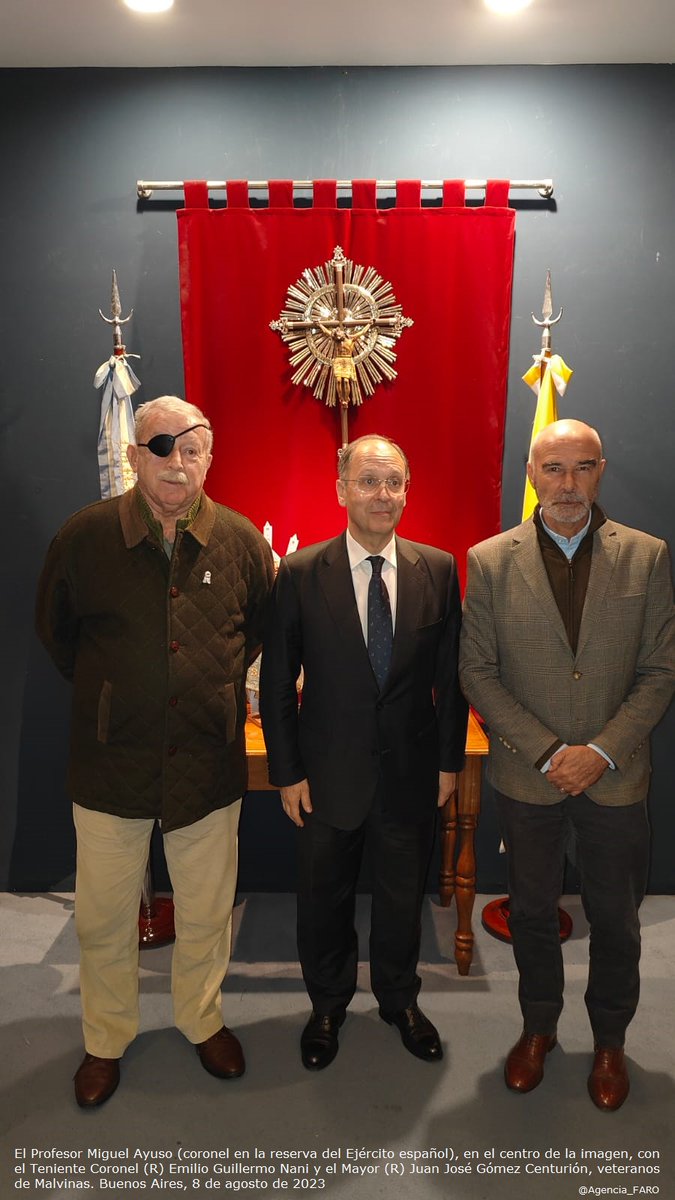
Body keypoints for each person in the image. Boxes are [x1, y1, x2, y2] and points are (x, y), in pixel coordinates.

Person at [36, 395, 274, 1107]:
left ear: (210, 455)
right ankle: (106, 1038)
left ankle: (202, 1019)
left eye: (191, 446)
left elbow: (254, 633)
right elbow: (59, 636)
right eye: (160, 445)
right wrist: (120, 695)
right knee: (104, 916)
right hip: (113, 762)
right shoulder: (82, 539)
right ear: (135, 456)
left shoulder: (240, 541)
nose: (177, 460)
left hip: (207, 762)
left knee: (207, 909)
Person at [459, 418, 675, 1111]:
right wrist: (553, 752)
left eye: (582, 468)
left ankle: (608, 1039)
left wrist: (599, 751)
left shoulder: (645, 556)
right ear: (530, 474)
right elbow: (477, 672)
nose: (568, 484)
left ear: (601, 471)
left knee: (615, 918)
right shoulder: (490, 560)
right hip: (530, 776)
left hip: (615, 776)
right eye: (553, 469)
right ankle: (537, 1028)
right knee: (528, 912)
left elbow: (658, 670)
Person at [260, 434, 468, 1070]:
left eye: (394, 483)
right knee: (324, 899)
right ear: (342, 491)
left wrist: (448, 762)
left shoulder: (437, 568)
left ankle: (400, 1000)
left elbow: (451, 677)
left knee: (402, 898)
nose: (383, 495)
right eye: (369, 482)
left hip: (411, 774)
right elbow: (277, 681)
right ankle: (327, 1006)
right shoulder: (300, 574)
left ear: (407, 491)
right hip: (326, 775)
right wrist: (287, 771)